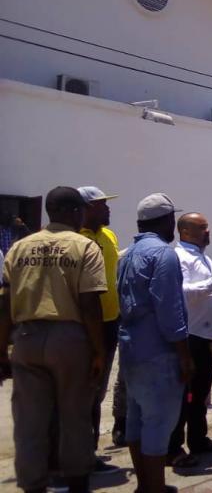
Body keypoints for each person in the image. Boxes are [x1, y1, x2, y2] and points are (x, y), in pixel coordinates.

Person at [0, 187, 106, 493]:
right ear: (76, 212)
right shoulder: (84, 247)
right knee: (74, 416)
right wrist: (98, 352)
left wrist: (1, 348)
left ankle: (33, 484)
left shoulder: (20, 247)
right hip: (70, 340)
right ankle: (76, 482)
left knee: (30, 422)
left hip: (27, 338)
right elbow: (89, 304)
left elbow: (5, 302)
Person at [117, 193, 193, 493]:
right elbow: (170, 310)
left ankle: (144, 484)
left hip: (131, 348)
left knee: (137, 420)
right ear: (166, 221)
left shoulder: (128, 254)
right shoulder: (164, 255)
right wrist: (185, 356)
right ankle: (156, 488)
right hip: (158, 352)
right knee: (159, 423)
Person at [167, 213, 212, 466]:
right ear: (186, 232)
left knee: (200, 392)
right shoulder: (180, 257)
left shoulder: (201, 256)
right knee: (186, 394)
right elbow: (184, 293)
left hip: (207, 334)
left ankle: (198, 439)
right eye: (202, 228)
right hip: (191, 336)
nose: (208, 233)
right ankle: (174, 447)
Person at [77, 185, 122, 474]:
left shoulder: (108, 236)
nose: (107, 209)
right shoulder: (75, 240)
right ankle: (80, 454)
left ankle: (88, 450)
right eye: (101, 205)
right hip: (83, 326)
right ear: (85, 209)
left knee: (97, 391)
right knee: (81, 392)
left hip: (110, 322)